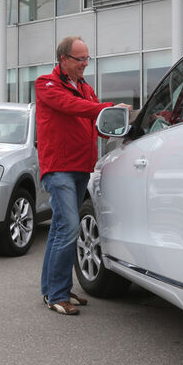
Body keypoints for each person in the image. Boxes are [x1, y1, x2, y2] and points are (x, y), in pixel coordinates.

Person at [35, 36, 131, 316]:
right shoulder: (47, 84)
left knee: (59, 230)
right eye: (80, 59)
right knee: (69, 228)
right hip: (59, 168)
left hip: (80, 168)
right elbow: (72, 107)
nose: (85, 64)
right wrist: (110, 108)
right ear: (63, 59)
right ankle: (57, 294)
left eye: (87, 58)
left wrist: (124, 123)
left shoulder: (86, 89)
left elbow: (98, 124)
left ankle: (52, 291)